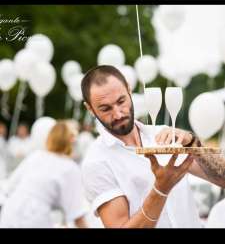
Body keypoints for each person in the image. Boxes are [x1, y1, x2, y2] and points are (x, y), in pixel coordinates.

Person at [81, 65, 201, 228]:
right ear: (90, 108)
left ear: (129, 90)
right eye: (105, 109)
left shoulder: (164, 134)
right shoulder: (96, 162)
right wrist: (160, 189)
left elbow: (221, 177)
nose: (118, 114)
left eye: (121, 101)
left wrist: (193, 144)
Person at [0, 121, 88, 228]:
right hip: (34, 218)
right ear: (71, 140)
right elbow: (77, 215)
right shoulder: (70, 168)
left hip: (9, 213)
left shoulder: (37, 155)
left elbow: (10, 186)